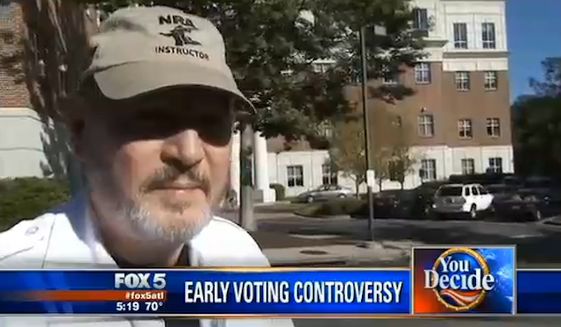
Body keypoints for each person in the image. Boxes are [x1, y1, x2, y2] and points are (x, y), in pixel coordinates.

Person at [0, 6, 293, 327]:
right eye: (153, 120)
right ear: (80, 132)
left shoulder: (241, 255)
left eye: (212, 123)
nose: (189, 152)